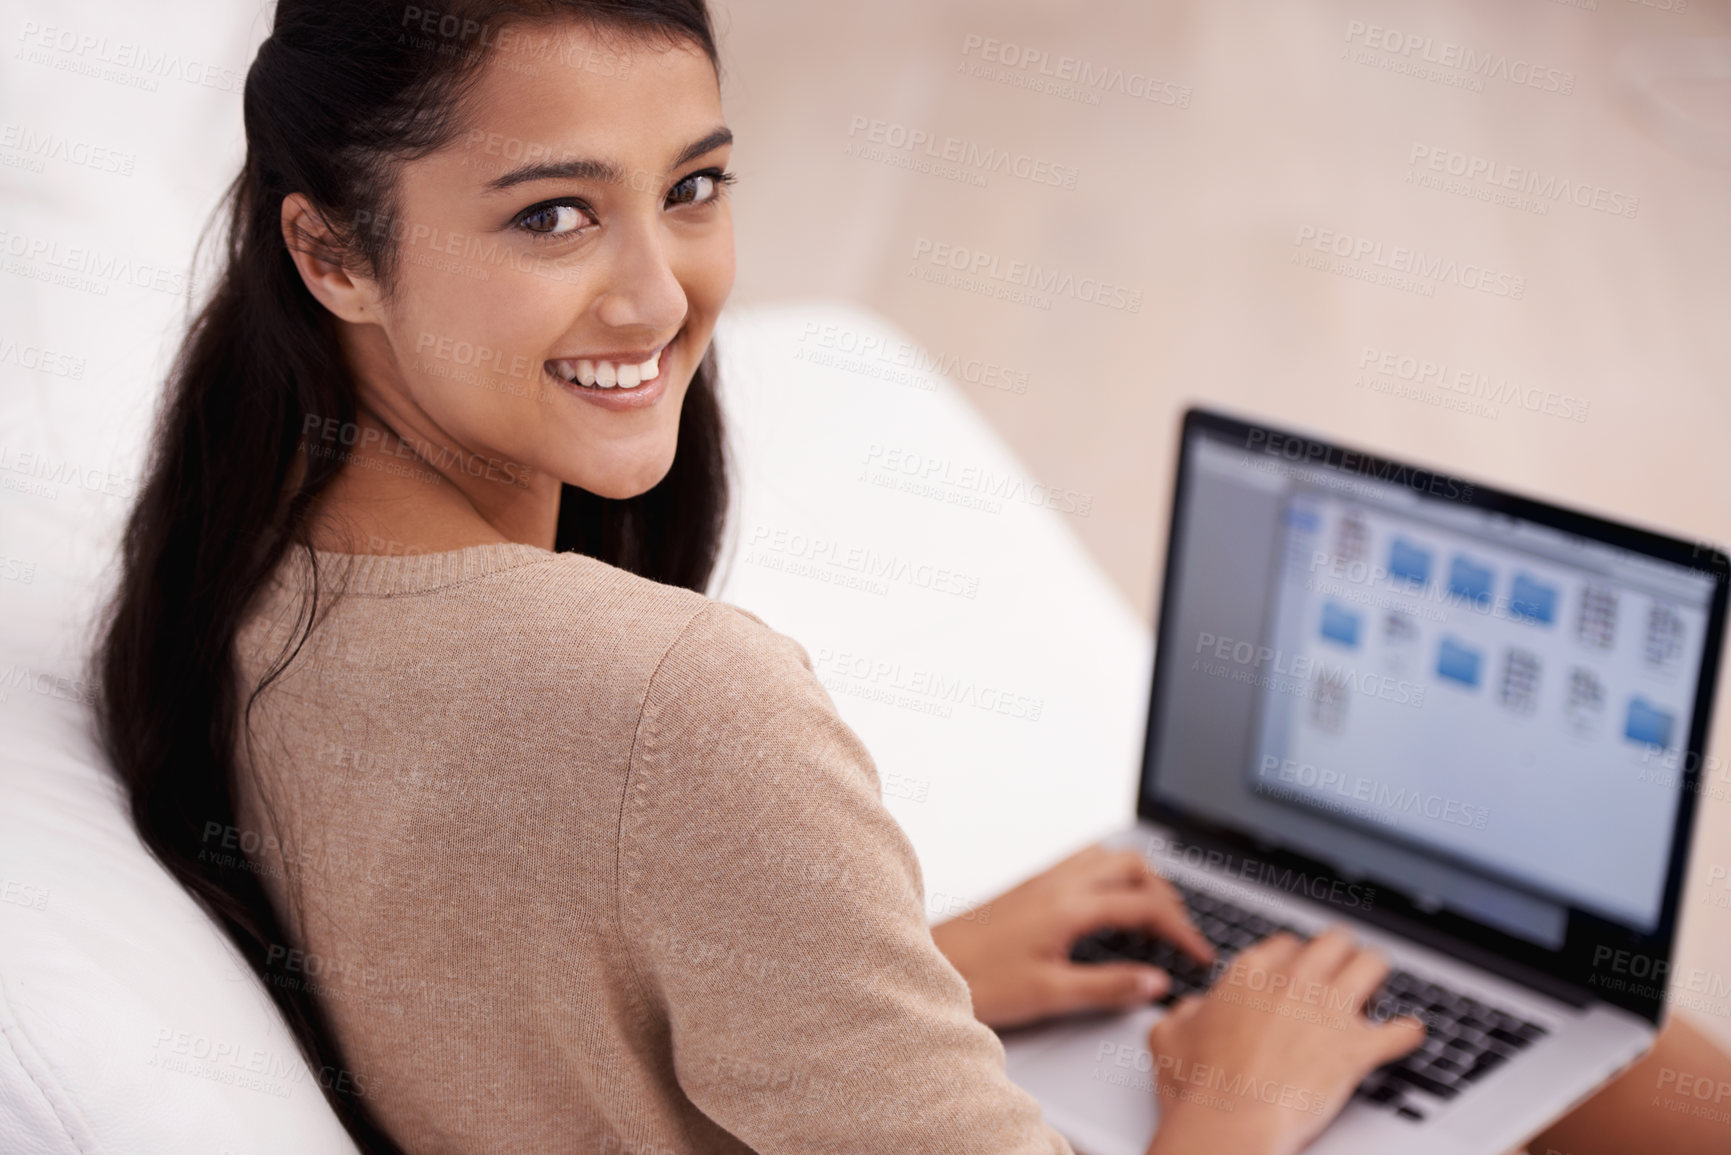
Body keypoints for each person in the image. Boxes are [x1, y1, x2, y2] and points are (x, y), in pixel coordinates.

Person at [94, 2, 1730, 1152]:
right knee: (1617, 1071)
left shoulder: (237, 575)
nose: (659, 296)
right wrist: (1238, 1102)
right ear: (330, 252)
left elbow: (524, 974)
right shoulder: (673, 699)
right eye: (551, 217)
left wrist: (913, 967)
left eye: (695, 187)